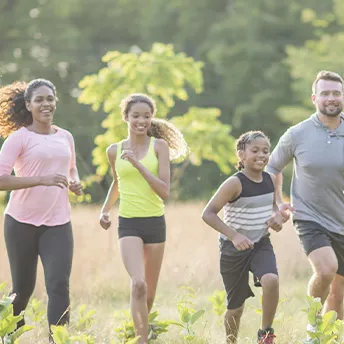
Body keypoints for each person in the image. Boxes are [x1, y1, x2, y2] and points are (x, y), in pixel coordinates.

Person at [99, 93, 188, 344]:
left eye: (147, 116)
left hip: (155, 224)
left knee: (148, 292)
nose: (141, 120)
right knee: (138, 284)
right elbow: (117, 184)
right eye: (136, 115)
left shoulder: (159, 147)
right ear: (125, 117)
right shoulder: (114, 151)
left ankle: (139, 330)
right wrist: (105, 209)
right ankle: (142, 340)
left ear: (152, 118)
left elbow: (164, 190)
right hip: (128, 223)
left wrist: (138, 165)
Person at [0, 79, 82, 342]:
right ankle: (9, 337)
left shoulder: (65, 136)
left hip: (58, 223)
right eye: (39, 100)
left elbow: (69, 168)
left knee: (59, 285)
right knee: (22, 291)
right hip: (20, 223)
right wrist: (41, 179)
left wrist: (75, 182)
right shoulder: (19, 138)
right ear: (28, 105)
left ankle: (57, 340)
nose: (46, 104)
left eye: (50, 98)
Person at [266, 70, 344, 328]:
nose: (331, 98)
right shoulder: (297, 134)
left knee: (338, 295)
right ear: (314, 98)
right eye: (325, 94)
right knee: (325, 269)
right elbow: (272, 167)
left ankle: (326, 334)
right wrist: (277, 203)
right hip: (310, 217)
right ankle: (312, 324)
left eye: (336, 93)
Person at [202, 131, 285, 344]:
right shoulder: (234, 183)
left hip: (260, 244)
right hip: (233, 249)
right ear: (241, 155)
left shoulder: (270, 179)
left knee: (271, 280)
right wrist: (234, 235)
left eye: (265, 151)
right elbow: (208, 213)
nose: (261, 155)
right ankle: (231, 341)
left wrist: (277, 217)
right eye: (255, 150)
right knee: (235, 307)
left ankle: (265, 334)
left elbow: (275, 207)